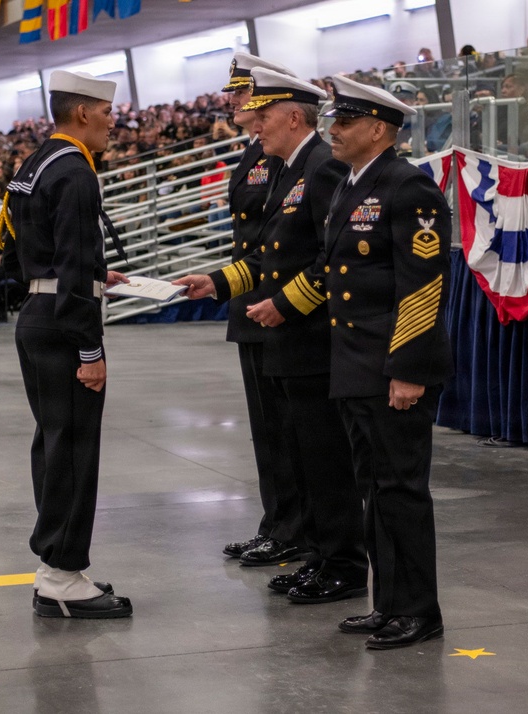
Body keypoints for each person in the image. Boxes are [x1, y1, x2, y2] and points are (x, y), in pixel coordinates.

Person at [175, 69, 368, 605]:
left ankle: (339, 561)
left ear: (291, 116)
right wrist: (216, 282)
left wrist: (286, 304)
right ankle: (322, 555)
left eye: (262, 117)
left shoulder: (320, 167)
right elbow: (266, 255)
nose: (254, 126)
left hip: (313, 333)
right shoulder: (288, 167)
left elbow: (331, 259)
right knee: (304, 452)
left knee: (325, 459)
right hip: (285, 329)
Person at [317, 74, 453, 649]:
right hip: (354, 363)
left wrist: (407, 370)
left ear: (378, 129)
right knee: (374, 489)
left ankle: (419, 610)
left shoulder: (408, 187)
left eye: (345, 123)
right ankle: (389, 602)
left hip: (390, 366)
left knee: (401, 490)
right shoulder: (352, 183)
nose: (334, 131)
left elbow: (422, 287)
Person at [0, 70, 132, 619]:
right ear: (82, 112)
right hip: (63, 326)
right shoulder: (77, 171)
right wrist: (90, 350)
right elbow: (74, 260)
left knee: (55, 445)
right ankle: (61, 576)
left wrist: (90, 276)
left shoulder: (36, 163)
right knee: (74, 450)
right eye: (106, 112)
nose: (112, 122)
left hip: (37, 313)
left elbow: (16, 246)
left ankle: (56, 567)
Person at [213, 52, 307, 567]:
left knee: (284, 427)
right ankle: (277, 522)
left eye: (240, 92)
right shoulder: (257, 151)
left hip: (276, 301)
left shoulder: (279, 156)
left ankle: (291, 527)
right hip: (251, 297)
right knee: (267, 428)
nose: (232, 100)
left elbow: (278, 240)